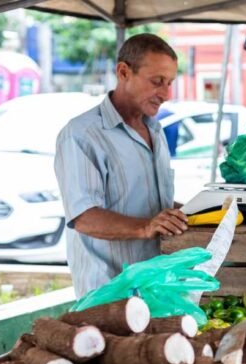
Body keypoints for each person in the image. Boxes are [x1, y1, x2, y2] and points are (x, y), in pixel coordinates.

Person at [55, 34, 186, 298]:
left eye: (170, 83)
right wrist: (147, 226)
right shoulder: (82, 134)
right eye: (157, 82)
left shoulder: (156, 131)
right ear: (124, 72)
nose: (166, 94)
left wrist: (193, 212)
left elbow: (152, 204)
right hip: (109, 295)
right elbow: (84, 217)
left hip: (157, 287)